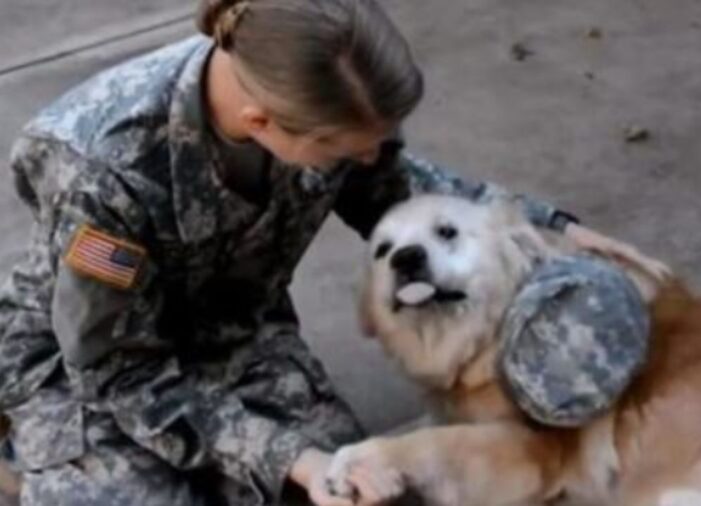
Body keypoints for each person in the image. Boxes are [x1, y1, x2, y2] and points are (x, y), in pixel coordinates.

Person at [0, 0, 662, 504]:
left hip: (235, 335)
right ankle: (22, 452)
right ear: (260, 123)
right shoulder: (102, 167)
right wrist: (291, 455)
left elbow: (394, 186)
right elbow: (116, 369)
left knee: (368, 493)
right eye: (346, 150)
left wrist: (550, 229)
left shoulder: (321, 94)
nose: (367, 158)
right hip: (87, 367)